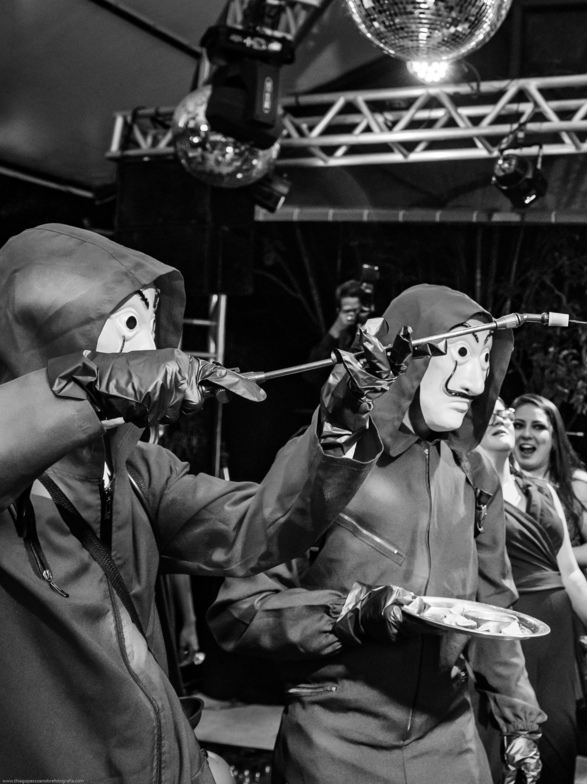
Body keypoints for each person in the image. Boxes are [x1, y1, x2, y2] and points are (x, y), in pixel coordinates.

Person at [0, 224, 381, 783]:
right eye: (129, 324)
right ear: (53, 328)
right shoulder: (13, 483)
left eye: (151, 325)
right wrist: (87, 388)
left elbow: (256, 526)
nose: (147, 348)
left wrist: (337, 428)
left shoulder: (138, 471)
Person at [208, 284, 546, 784]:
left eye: (483, 358)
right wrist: (348, 615)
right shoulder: (332, 457)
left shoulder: (476, 477)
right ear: (407, 354)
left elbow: (494, 609)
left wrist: (519, 721)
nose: (475, 382)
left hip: (450, 743)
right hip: (335, 744)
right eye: (459, 354)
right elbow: (240, 611)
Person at [477, 398, 587, 784]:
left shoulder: (544, 491)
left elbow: (569, 571)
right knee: (505, 752)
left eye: (505, 413)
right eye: (491, 413)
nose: (504, 420)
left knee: (558, 745)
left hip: (557, 639)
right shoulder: (465, 492)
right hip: (504, 635)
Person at [514, 393, 587, 568]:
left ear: (554, 438)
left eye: (538, 426)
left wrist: (546, 558)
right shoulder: (490, 480)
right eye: (518, 425)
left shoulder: (577, 484)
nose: (527, 434)